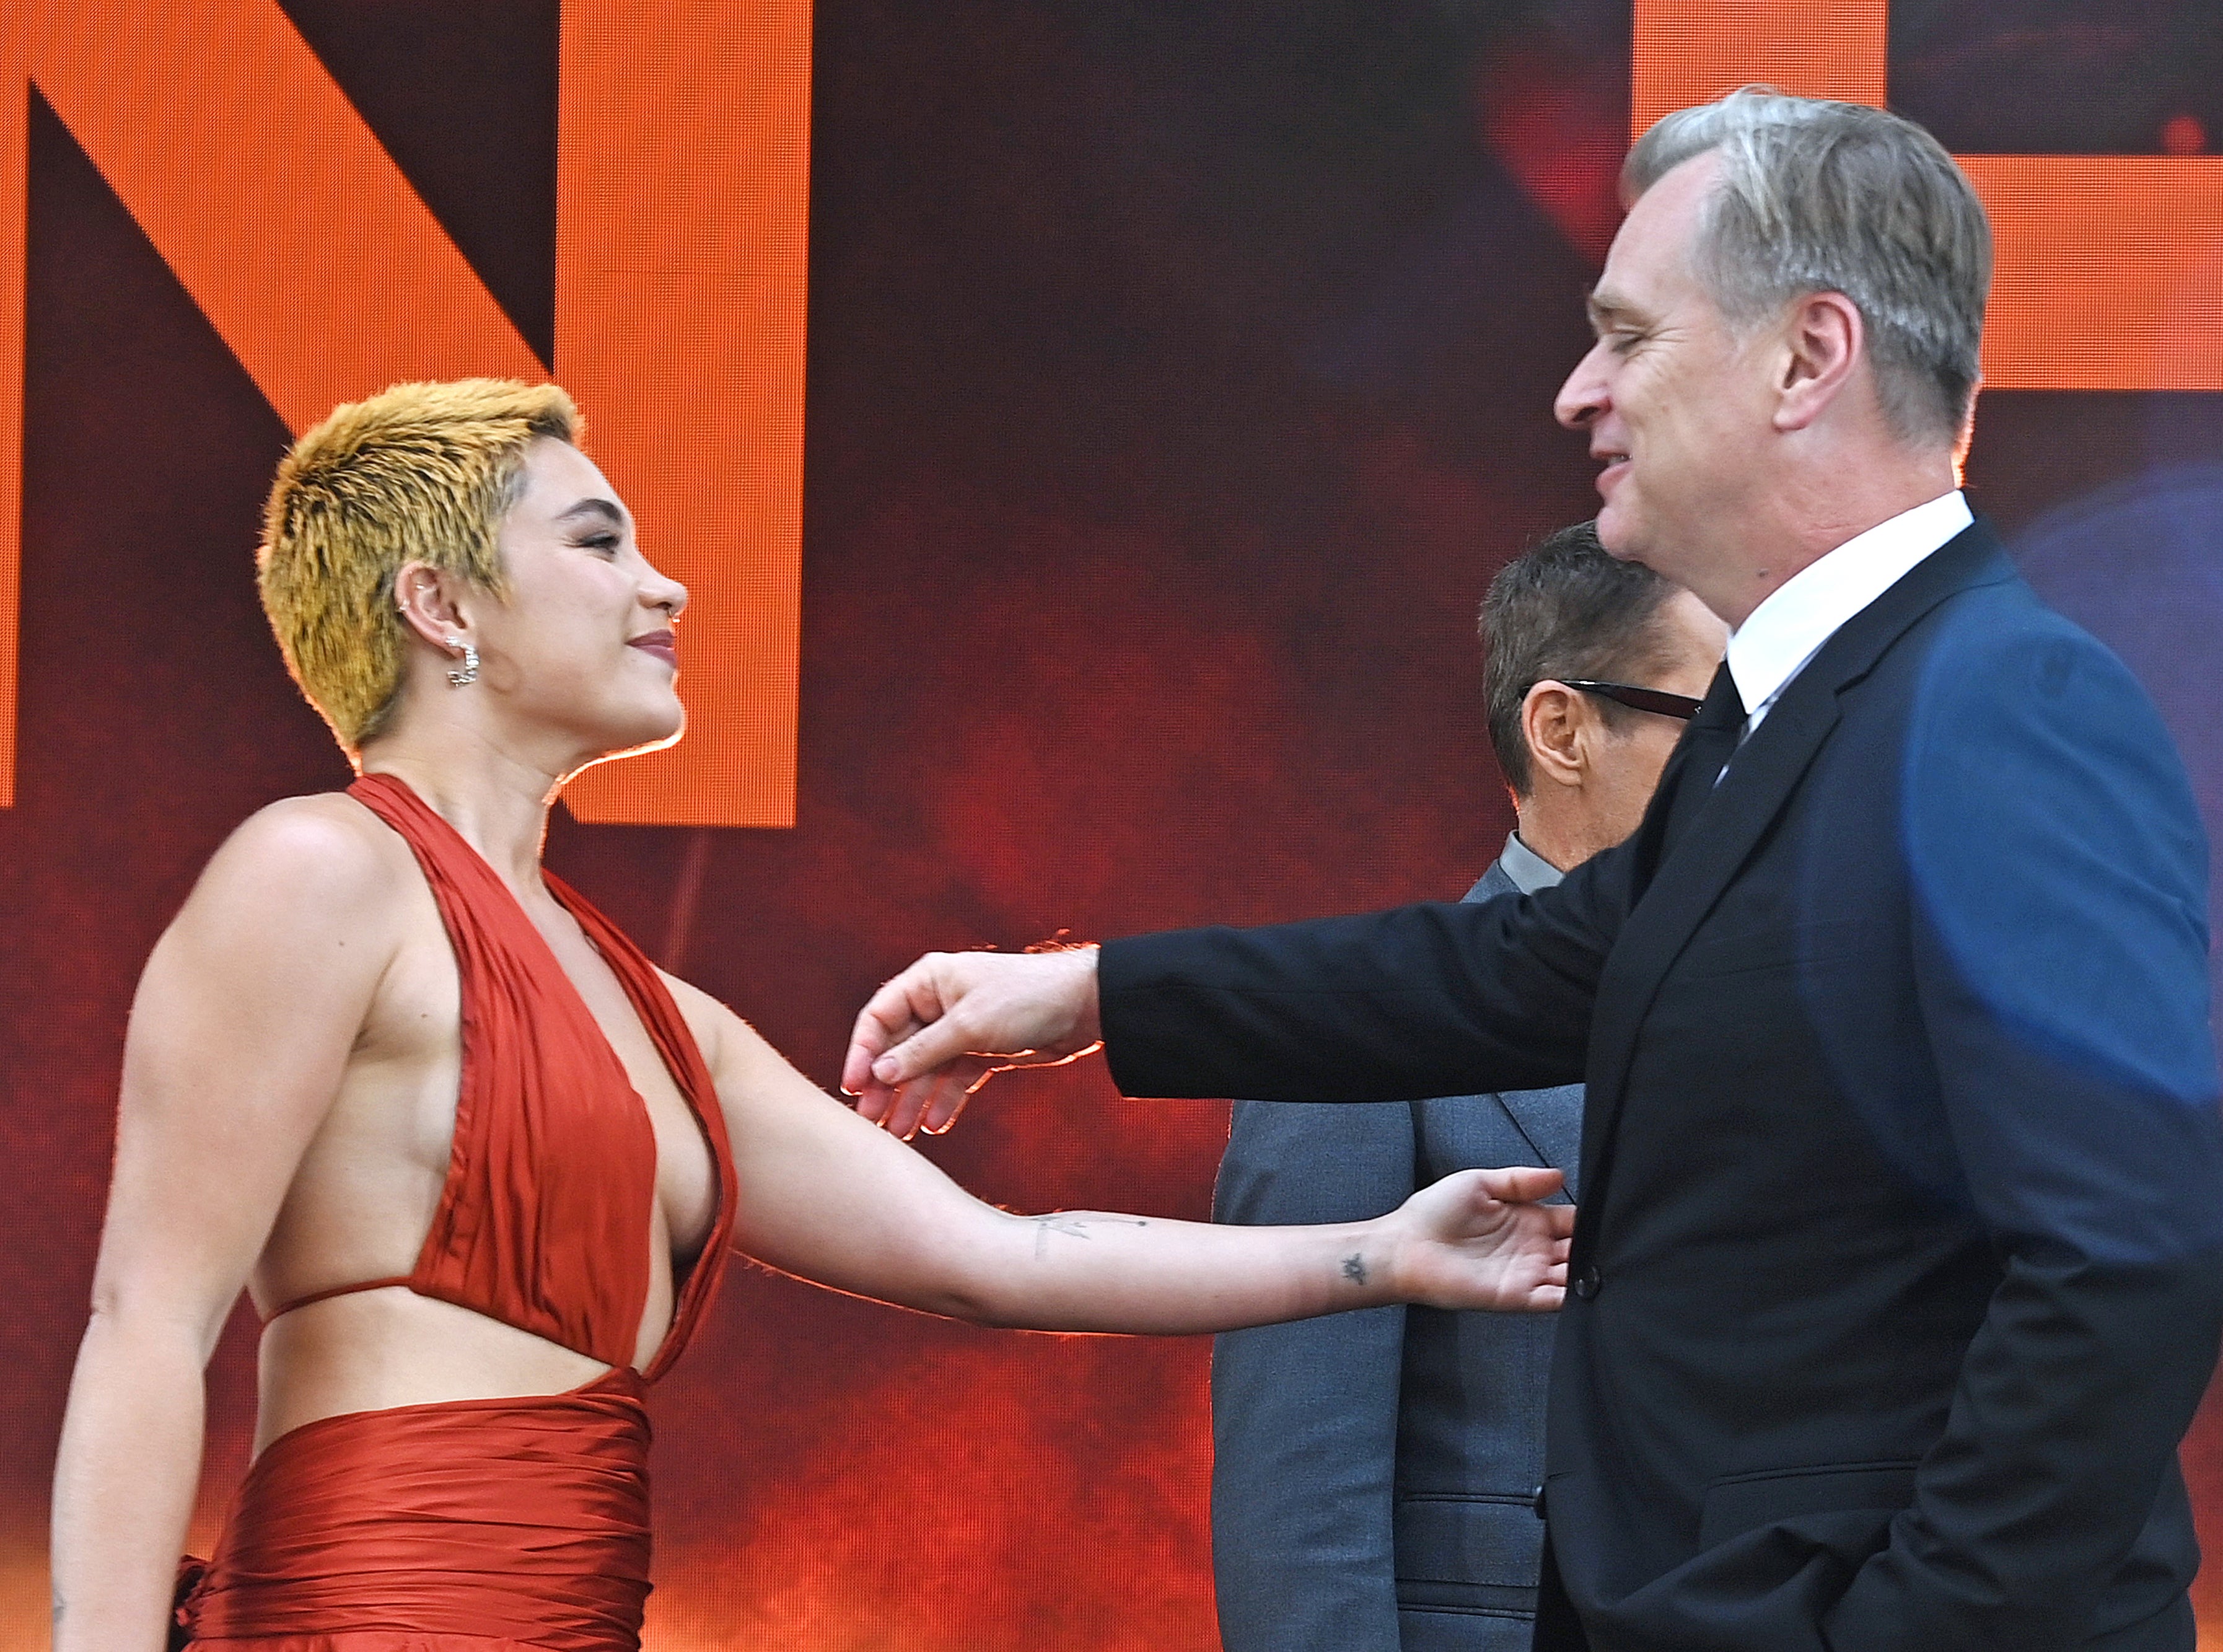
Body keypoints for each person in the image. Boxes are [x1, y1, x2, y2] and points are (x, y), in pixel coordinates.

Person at [846, 89, 2223, 1652]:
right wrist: (1087, 992)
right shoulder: (1790, 722)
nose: (1578, 392)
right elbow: (1512, 969)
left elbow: (2127, 1256)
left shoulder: (2000, 703)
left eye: (1629, 337)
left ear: (1807, 358)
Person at [45, 379, 1577, 1652]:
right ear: (438, 604)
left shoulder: (662, 1017)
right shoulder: (316, 870)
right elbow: (145, 1326)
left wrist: (1389, 1253)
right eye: (600, 540)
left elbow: (1000, 1256)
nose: (668, 583)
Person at [1211, 522, 1725, 1652]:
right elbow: (1295, 1498)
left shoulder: (1807, 1003)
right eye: (1719, 720)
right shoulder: (1363, 1028)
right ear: (1562, 730)